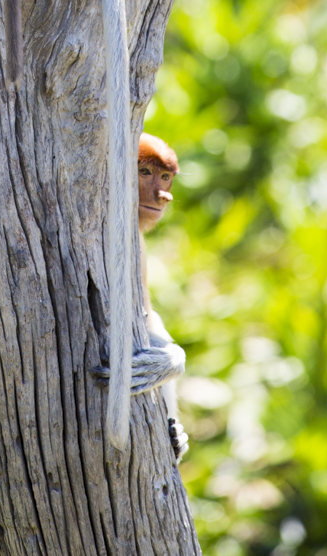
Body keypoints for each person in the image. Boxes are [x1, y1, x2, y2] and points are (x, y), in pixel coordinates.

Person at [137, 132, 188, 462]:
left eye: (165, 178)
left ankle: (167, 428)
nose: (161, 194)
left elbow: (141, 319)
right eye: (145, 173)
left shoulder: (135, 239)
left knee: (168, 346)